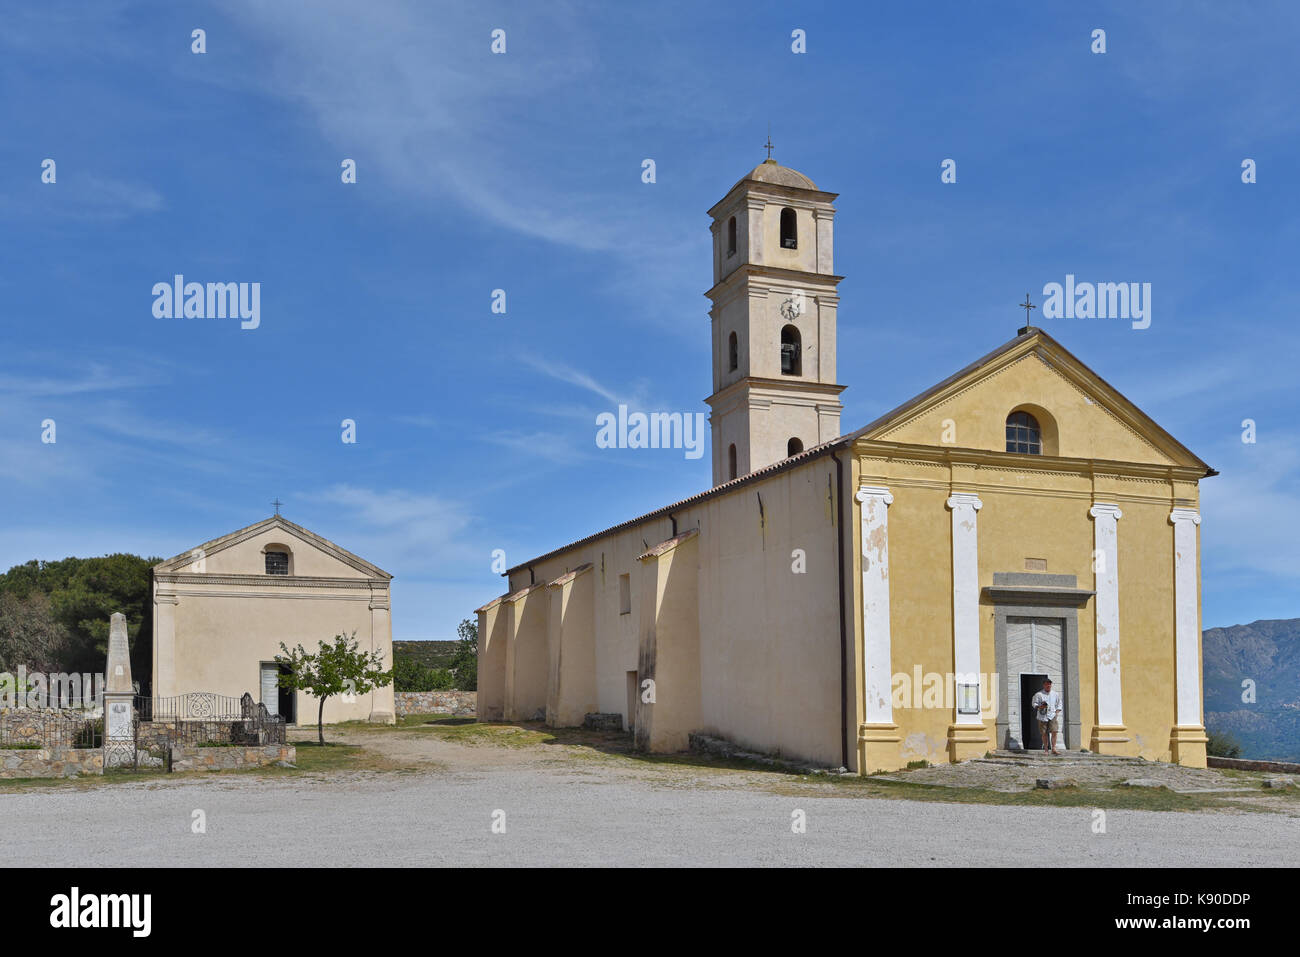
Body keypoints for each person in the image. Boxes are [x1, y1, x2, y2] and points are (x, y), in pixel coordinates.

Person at [1031, 678, 1062, 754]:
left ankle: (1054, 748)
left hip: (1052, 715)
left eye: (1049, 684)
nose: (1048, 685)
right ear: (1044, 685)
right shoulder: (1039, 694)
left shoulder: (1055, 694)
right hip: (1042, 716)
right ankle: (1046, 749)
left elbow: (1059, 704)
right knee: (1044, 733)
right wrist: (1039, 707)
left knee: (1054, 731)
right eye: (1047, 684)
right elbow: (1034, 703)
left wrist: (1057, 711)